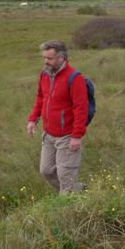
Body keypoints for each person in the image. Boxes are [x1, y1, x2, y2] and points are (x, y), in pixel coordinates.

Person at [26, 40, 89, 193]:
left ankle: (68, 200)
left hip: (67, 136)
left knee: (65, 176)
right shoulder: (44, 74)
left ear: (61, 57)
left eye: (49, 58)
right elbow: (41, 98)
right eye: (44, 57)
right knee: (46, 171)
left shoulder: (75, 78)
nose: (45, 61)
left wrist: (76, 136)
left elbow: (81, 109)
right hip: (48, 135)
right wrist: (33, 119)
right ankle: (76, 190)